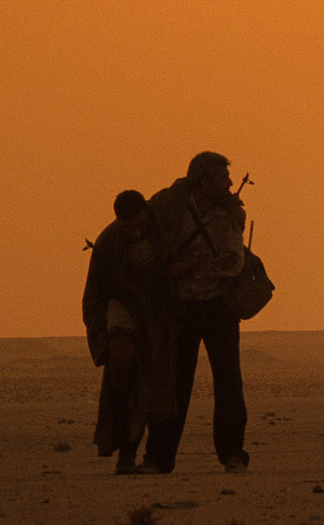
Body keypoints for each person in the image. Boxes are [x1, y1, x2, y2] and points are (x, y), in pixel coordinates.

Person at [139, 152, 250, 474]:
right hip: (181, 310)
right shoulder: (170, 209)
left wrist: (187, 269)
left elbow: (233, 263)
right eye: (222, 178)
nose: (230, 184)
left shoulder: (230, 215)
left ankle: (232, 454)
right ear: (204, 181)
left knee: (228, 383)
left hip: (219, 307)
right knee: (174, 386)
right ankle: (159, 458)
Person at [82, 190, 179, 474]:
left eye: (139, 225)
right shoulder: (109, 242)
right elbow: (95, 295)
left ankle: (129, 455)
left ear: (147, 213)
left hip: (158, 316)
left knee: (149, 391)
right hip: (122, 308)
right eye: (129, 228)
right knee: (124, 368)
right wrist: (101, 341)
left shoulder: (164, 227)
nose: (136, 233)